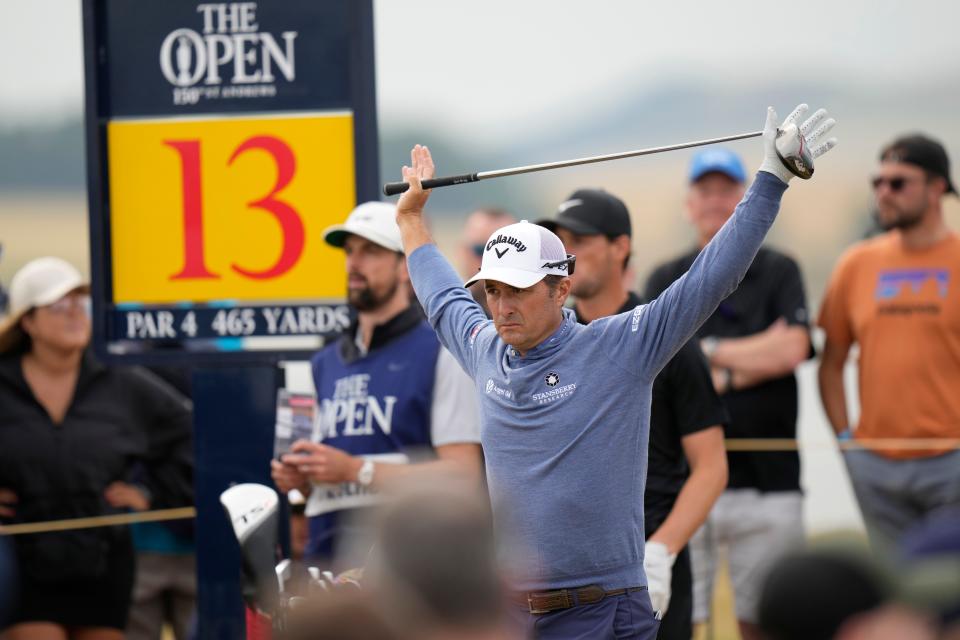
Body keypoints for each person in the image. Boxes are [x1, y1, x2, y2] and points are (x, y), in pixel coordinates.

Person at [392, 104, 836, 639]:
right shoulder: (485, 348)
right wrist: (411, 219)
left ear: (559, 288)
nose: (501, 306)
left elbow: (710, 279)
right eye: (493, 290)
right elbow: (440, 293)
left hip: (603, 611)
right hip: (510, 615)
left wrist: (771, 179)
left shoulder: (620, 346)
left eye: (518, 290)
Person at [537, 189, 728, 638]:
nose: (567, 254)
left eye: (580, 241)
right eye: (560, 242)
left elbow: (711, 466)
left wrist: (662, 550)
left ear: (621, 247)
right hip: (566, 575)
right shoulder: (542, 345)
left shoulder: (665, 339)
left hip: (650, 561)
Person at [644, 147, 815, 640]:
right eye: (705, 191)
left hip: (769, 484)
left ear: (743, 198)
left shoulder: (780, 269)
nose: (715, 201)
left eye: (726, 191)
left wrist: (704, 354)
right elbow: (654, 365)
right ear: (688, 204)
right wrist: (748, 356)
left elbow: (792, 349)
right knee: (677, 619)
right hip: (684, 483)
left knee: (765, 621)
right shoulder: (665, 276)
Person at [270, 201, 483, 567]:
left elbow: (462, 477)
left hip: (410, 568)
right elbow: (317, 481)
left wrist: (356, 471)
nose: (354, 263)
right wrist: (300, 478)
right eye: (350, 251)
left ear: (405, 266)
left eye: (371, 251)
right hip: (328, 565)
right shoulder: (322, 362)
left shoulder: (441, 350)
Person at [0, 257, 193, 640]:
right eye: (59, 306)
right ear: (28, 322)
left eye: (81, 303)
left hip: (103, 559)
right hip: (21, 561)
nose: (74, 314)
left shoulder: (123, 383)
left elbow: (188, 435)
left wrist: (149, 493)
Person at [818, 134, 960, 553]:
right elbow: (831, 363)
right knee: (898, 597)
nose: (883, 193)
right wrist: (846, 443)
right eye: (877, 183)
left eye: (898, 183)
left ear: (937, 188)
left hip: (951, 461)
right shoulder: (855, 264)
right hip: (875, 467)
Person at [459, 207, 517, 315]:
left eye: (505, 251)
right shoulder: (442, 316)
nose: (494, 260)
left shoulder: (540, 318)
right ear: (463, 252)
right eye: (482, 250)